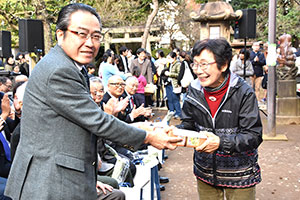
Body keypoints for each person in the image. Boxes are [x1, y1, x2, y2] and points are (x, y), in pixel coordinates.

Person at [4, 3, 180, 200]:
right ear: (60, 34)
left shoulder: (71, 66)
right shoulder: (58, 70)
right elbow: (97, 121)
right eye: (81, 34)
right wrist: (147, 137)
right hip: (48, 182)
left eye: (96, 36)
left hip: (63, 174)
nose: (90, 43)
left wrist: (143, 128)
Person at [175, 39, 262, 200]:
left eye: (204, 64)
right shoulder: (193, 90)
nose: (199, 71)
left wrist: (221, 143)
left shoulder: (243, 92)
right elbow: (189, 124)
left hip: (239, 174)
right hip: (205, 171)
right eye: (195, 64)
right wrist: (174, 133)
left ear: (223, 65)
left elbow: (253, 135)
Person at [164, 52, 182, 119]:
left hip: (175, 84)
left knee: (175, 99)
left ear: (174, 58)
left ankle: (178, 113)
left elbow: (179, 74)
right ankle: (171, 111)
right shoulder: (169, 64)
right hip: (168, 83)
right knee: (169, 98)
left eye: (169, 58)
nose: (168, 59)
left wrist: (170, 74)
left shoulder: (178, 64)